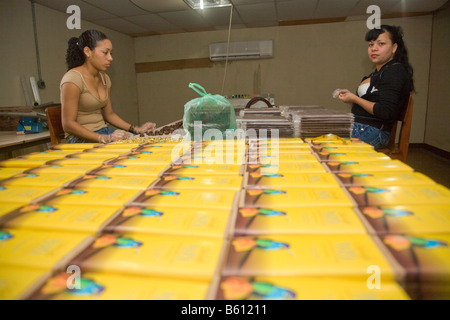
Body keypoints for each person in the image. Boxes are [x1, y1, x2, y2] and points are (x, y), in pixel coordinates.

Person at [61, 29, 156, 143]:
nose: (110, 58)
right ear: (87, 51)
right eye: (105, 53)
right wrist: (105, 138)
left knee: (142, 144)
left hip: (104, 131)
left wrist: (136, 129)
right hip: (81, 138)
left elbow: (109, 115)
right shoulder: (73, 79)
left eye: (111, 53)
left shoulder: (104, 78)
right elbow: (68, 125)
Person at [336, 25, 414, 149]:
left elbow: (385, 111)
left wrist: (355, 99)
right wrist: (351, 97)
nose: (374, 49)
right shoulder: (380, 72)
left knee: (324, 151)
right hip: (361, 127)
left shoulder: (395, 72)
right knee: (316, 140)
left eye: (381, 44)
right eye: (371, 45)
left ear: (394, 47)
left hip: (373, 131)